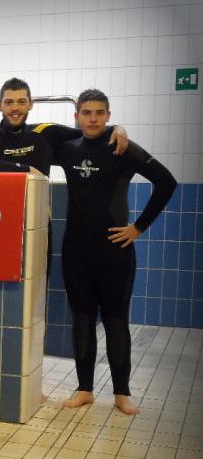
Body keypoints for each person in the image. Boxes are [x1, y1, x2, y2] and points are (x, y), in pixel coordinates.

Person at [53, 89, 176, 416]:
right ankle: (85, 389)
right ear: (76, 116)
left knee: (115, 319)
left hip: (114, 251)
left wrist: (139, 227)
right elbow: (29, 140)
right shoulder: (67, 148)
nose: (92, 118)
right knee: (81, 318)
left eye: (99, 113)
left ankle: (122, 393)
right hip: (76, 249)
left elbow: (167, 182)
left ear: (108, 115)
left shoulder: (121, 147)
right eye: (86, 112)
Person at [0, 77, 128, 176]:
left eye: (21, 102)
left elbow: (88, 131)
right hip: (1, 217)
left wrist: (116, 128)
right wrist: (27, 170)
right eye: (9, 102)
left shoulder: (45, 132)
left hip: (38, 220)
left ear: (30, 105)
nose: (15, 108)